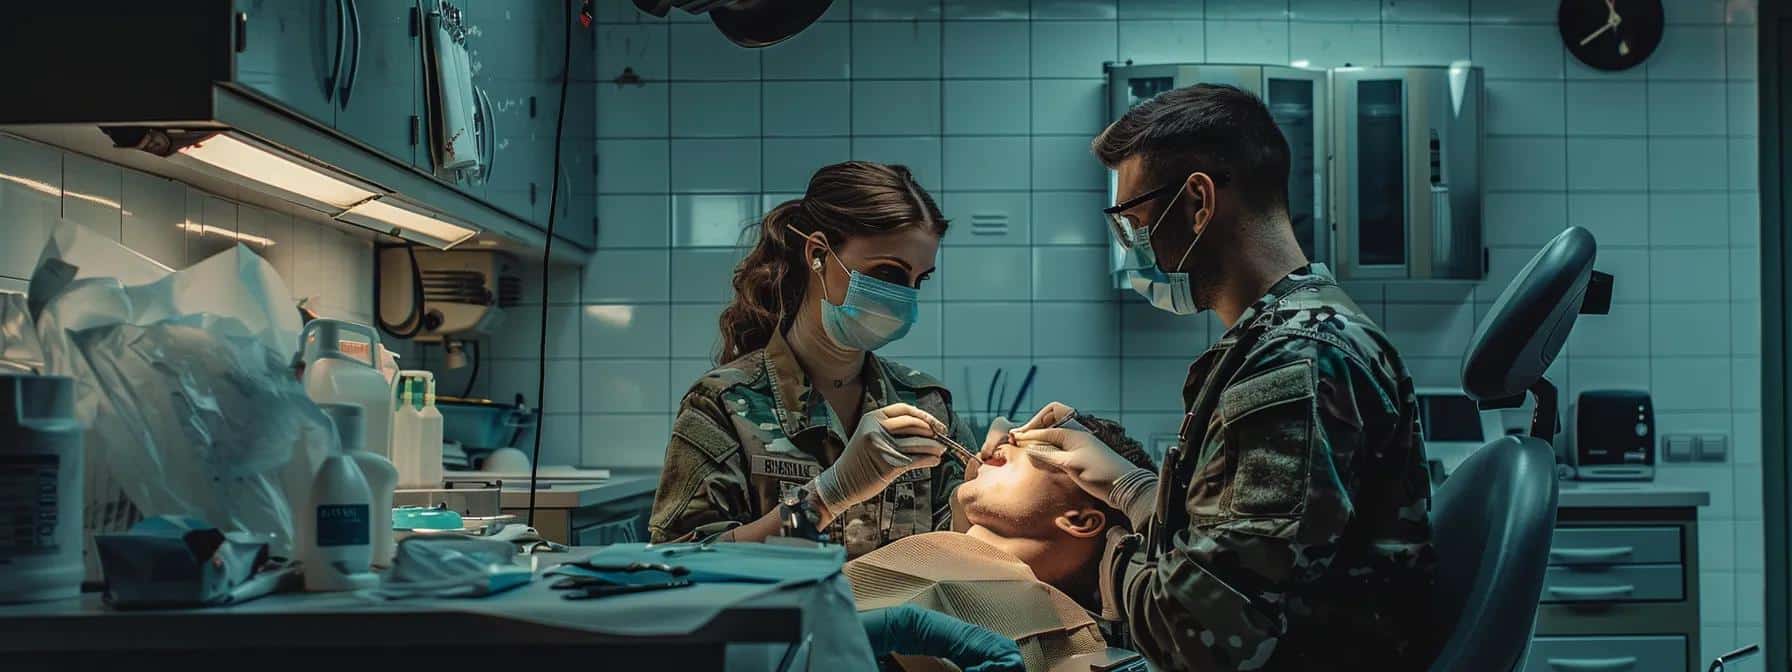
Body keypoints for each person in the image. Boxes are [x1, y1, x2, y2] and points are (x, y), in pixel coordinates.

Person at [1008, 84, 1438, 671]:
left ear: (1198, 203)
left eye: (1136, 223)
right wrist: (1131, 489)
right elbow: (1236, 558)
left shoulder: (1295, 362)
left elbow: (1203, 632)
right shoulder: (1284, 336)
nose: (1138, 249)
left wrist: (1079, 556)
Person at [649, 161, 981, 558]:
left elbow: (969, 555)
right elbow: (679, 563)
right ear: (818, 254)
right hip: (784, 622)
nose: (905, 296)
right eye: (889, 273)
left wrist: (978, 492)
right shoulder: (722, 406)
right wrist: (824, 498)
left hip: (906, 620)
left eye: (918, 281)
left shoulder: (925, 402)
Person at [844, 414, 1158, 671]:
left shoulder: (1075, 643)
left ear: (1078, 521)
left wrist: (1138, 490)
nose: (1007, 439)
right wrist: (825, 497)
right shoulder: (928, 556)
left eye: (1043, 447)